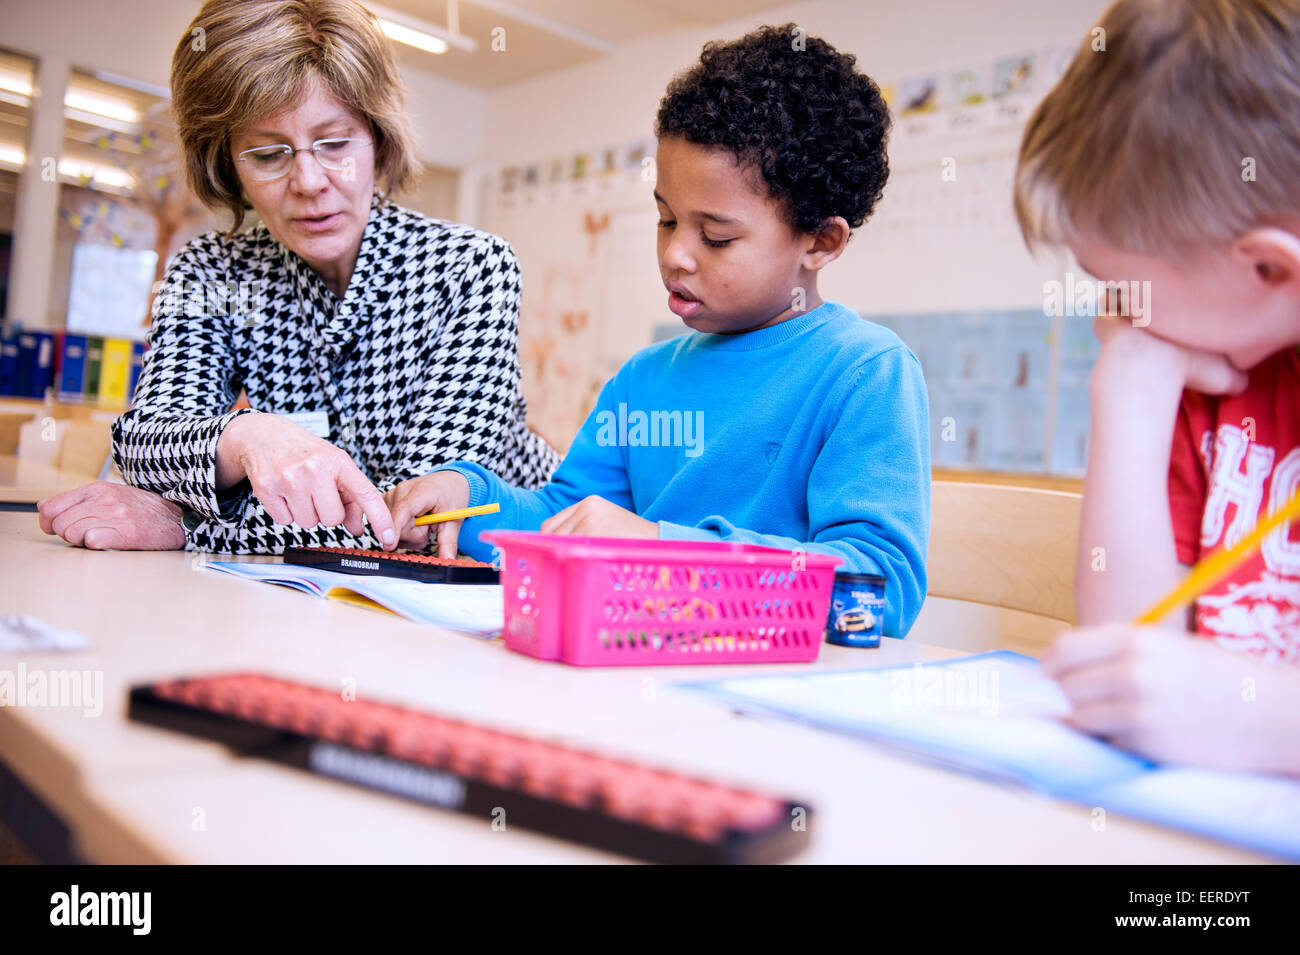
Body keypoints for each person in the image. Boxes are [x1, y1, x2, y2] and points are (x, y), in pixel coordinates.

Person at [383, 25, 931, 637]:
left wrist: (658, 549)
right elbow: (565, 518)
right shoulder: (641, 379)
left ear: (820, 241)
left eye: (717, 237)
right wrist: (472, 499)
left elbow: (877, 589)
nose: (677, 256)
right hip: (625, 669)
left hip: (767, 702)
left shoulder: (864, 372)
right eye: (667, 220)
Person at [37, 0, 557, 553]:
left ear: (378, 138)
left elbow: (417, 524)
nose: (309, 181)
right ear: (225, 163)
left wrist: (187, 524)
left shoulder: (470, 268)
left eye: (335, 144)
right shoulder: (210, 269)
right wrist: (243, 436)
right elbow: (145, 444)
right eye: (267, 154)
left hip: (514, 563)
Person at [1014, 0, 1300, 773]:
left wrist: (1271, 719)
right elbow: (1130, 666)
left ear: (1271, 267)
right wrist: (1131, 387)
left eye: (1120, 287)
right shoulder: (1207, 372)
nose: (1113, 312)